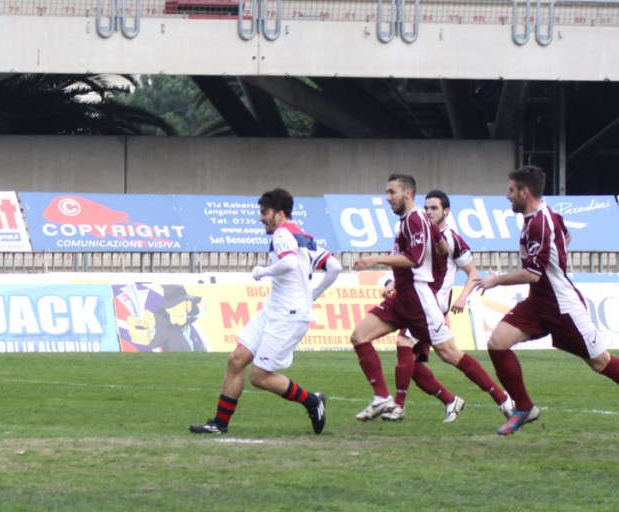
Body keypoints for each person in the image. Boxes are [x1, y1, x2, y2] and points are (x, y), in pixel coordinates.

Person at [350, 174, 509, 423]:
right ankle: (383, 397)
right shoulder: (414, 222)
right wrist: (396, 281)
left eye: (392, 192)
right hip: (404, 296)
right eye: (387, 192)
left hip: (420, 300)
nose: (387, 197)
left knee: (449, 353)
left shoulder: (415, 220)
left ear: (408, 194)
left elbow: (415, 259)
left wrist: (375, 260)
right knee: (360, 336)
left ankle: (504, 400)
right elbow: (440, 247)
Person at [477, 165, 619, 435]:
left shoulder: (540, 223)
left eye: (510, 190)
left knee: (600, 362)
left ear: (525, 192)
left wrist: (495, 280)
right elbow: (565, 236)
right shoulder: (542, 217)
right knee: (497, 343)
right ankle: (524, 407)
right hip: (538, 303)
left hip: (562, 307)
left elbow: (532, 274)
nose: (507, 196)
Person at [189, 188, 340, 436]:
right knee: (236, 359)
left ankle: (313, 401)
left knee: (259, 377)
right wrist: (313, 294)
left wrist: (263, 271)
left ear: (279, 214)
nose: (261, 218)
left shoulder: (282, 234)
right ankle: (219, 423)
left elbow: (289, 263)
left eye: (264, 212)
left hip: (288, 316)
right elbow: (334, 267)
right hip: (275, 309)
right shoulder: (304, 236)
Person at [392, 189, 513, 422]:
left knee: (408, 343)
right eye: (426, 208)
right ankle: (455, 400)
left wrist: (462, 297)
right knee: (414, 365)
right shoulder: (420, 233)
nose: (428, 212)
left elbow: (473, 273)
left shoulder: (452, 239)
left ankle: (397, 405)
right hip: (417, 302)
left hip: (433, 306)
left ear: (446, 211)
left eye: (434, 208)